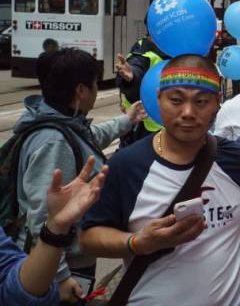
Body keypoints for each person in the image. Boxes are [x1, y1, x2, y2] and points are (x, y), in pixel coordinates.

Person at [80, 55, 240, 305]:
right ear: (159, 99)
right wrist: (137, 243)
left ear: (217, 102)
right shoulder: (126, 165)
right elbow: (88, 238)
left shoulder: (237, 158)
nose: (188, 112)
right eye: (176, 100)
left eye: (201, 101)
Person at [13, 48, 146, 303]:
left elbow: (87, 140)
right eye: (95, 84)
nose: (97, 91)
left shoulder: (60, 123)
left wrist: (126, 120)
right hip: (60, 266)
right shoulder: (54, 142)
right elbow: (42, 215)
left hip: (67, 260)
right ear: (81, 91)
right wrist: (60, 277)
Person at [1, 158, 107, 306]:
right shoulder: (54, 140)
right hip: (68, 267)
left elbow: (13, 291)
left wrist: (56, 227)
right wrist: (62, 276)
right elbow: (38, 216)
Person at [115, 35, 170, 146]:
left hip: (164, 124)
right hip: (144, 126)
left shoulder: (173, 50)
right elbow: (136, 68)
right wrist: (132, 77)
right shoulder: (144, 53)